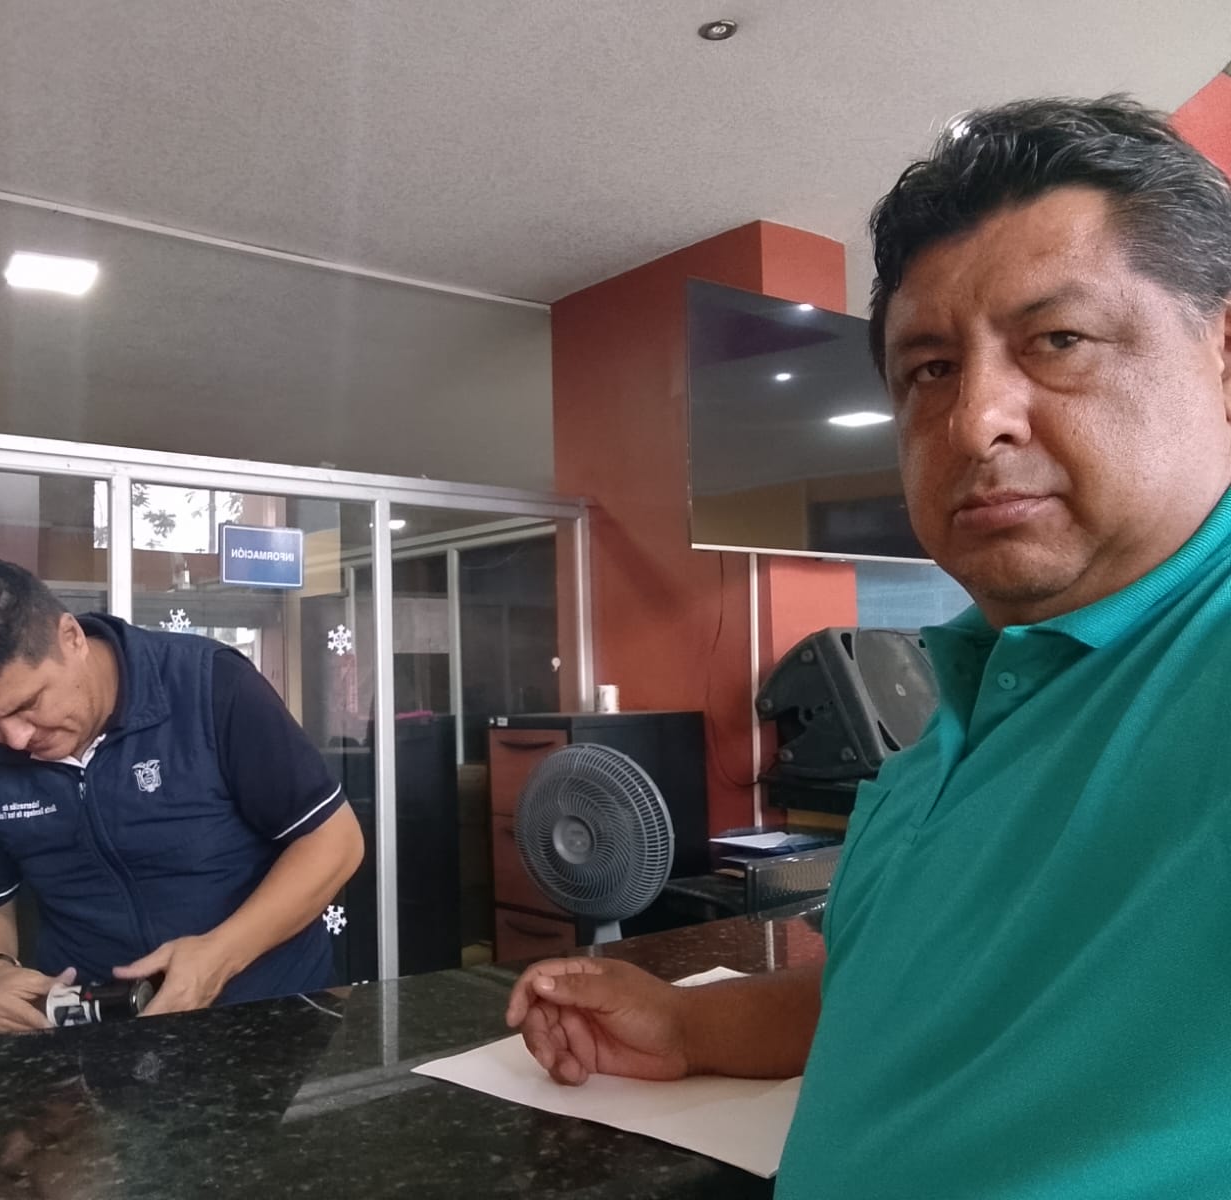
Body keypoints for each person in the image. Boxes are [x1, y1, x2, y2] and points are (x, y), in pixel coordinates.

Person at [507, 95, 1231, 1198]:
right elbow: (890, 986)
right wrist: (689, 1026)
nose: (974, 419)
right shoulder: (963, 703)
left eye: (1059, 340)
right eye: (929, 368)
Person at [0, 557, 364, 1033]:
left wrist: (221, 955)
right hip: (95, 1032)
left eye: (28, 705)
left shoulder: (208, 686)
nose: (15, 738)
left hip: (269, 1016)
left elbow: (334, 841)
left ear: (71, 638)